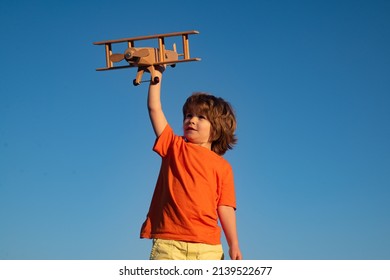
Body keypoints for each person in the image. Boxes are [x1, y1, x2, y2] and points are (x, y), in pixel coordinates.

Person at [140, 66, 242, 260]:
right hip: (169, 245)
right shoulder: (173, 146)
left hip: (208, 248)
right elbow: (154, 108)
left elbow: (225, 207)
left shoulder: (223, 167)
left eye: (200, 117)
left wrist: (234, 243)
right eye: (188, 115)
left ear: (217, 128)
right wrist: (156, 76)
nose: (191, 120)